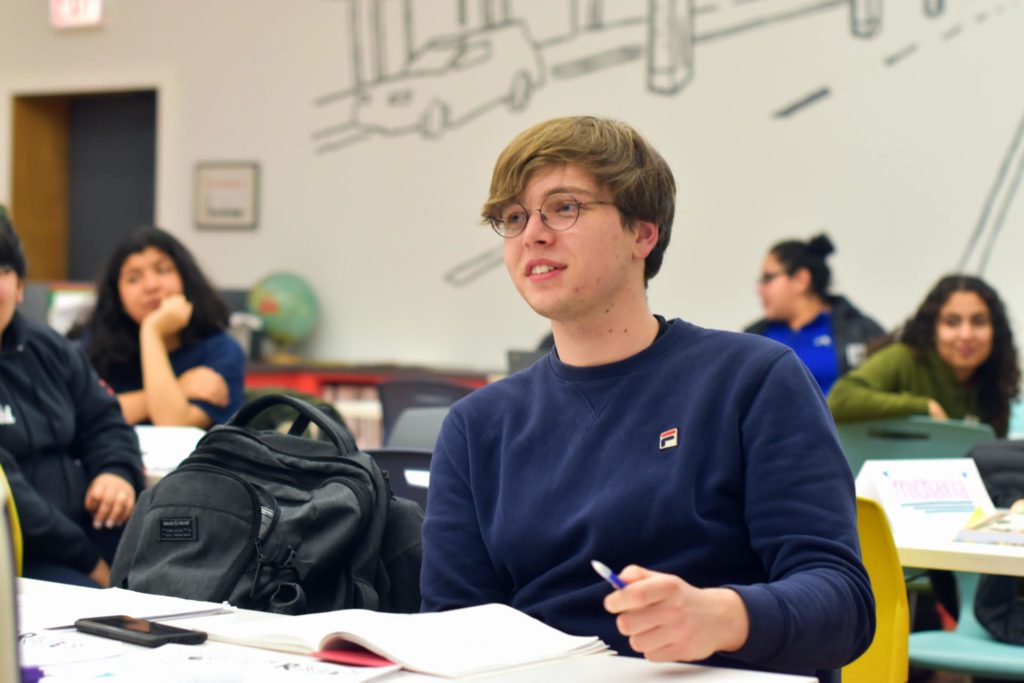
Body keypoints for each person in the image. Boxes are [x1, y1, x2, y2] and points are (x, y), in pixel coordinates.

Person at [419, 116, 874, 682]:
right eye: (514, 217)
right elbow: (453, 629)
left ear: (643, 233)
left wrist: (724, 617)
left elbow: (844, 605)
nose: (532, 233)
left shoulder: (754, 380)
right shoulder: (477, 425)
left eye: (563, 207)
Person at [0, 211, 143, 587]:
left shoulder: (47, 346)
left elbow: (105, 419)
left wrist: (116, 470)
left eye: (1, 270)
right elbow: (14, 502)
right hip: (26, 553)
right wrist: (90, 564)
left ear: (19, 287)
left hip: (93, 529)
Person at [80, 226, 246, 428]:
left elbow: (173, 425)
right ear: (117, 297)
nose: (151, 286)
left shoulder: (222, 350)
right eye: (134, 278)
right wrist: (180, 387)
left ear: (186, 279)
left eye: (162, 270)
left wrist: (152, 331)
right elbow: (81, 416)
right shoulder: (96, 348)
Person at [827, 274, 1020, 438]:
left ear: (996, 331)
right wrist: (923, 407)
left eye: (978, 322)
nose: (966, 335)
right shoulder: (904, 357)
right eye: (952, 322)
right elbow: (839, 400)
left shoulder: (995, 379)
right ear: (932, 328)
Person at [745, 234, 884, 394]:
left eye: (768, 278)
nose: (760, 290)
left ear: (801, 279)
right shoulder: (753, 338)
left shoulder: (862, 331)